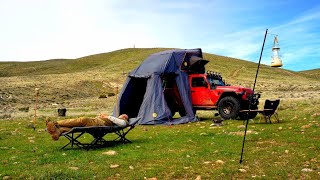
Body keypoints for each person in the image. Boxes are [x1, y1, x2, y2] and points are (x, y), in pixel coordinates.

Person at [46, 114, 129, 140]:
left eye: (123, 115)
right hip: (97, 122)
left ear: (125, 117)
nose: (120, 115)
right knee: (76, 125)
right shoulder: (115, 119)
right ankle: (58, 131)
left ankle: (55, 123)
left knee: (83, 120)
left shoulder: (124, 121)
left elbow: (122, 124)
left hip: (99, 124)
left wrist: (107, 116)